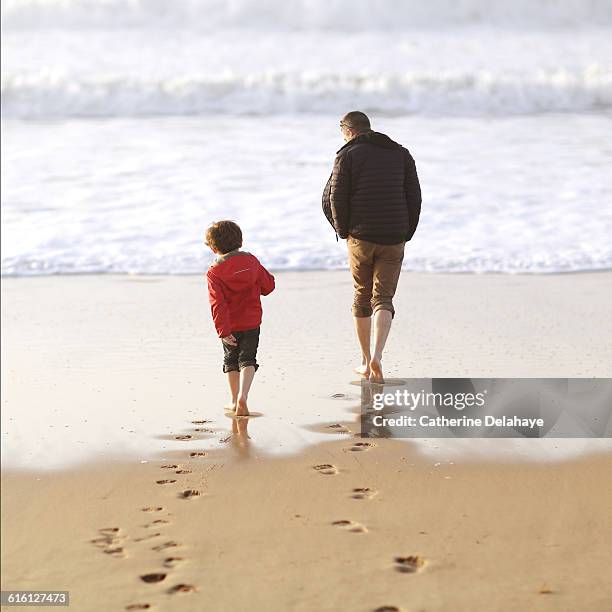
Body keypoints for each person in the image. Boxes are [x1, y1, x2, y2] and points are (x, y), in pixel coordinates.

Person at [322, 111, 422, 383]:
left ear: (349, 130)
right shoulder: (401, 153)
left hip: (361, 236)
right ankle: (378, 355)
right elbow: (414, 196)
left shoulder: (347, 155)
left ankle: (366, 362)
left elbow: (336, 196)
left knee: (361, 296)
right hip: (394, 236)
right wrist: (407, 230)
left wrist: (343, 231)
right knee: (384, 299)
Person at [205, 220, 275, 416]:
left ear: (213, 248)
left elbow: (217, 304)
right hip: (252, 321)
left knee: (231, 361)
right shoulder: (251, 261)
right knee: (248, 360)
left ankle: (234, 400)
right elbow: (268, 287)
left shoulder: (214, 272)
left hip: (230, 325)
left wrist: (223, 331)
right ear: (241, 241)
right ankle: (244, 396)